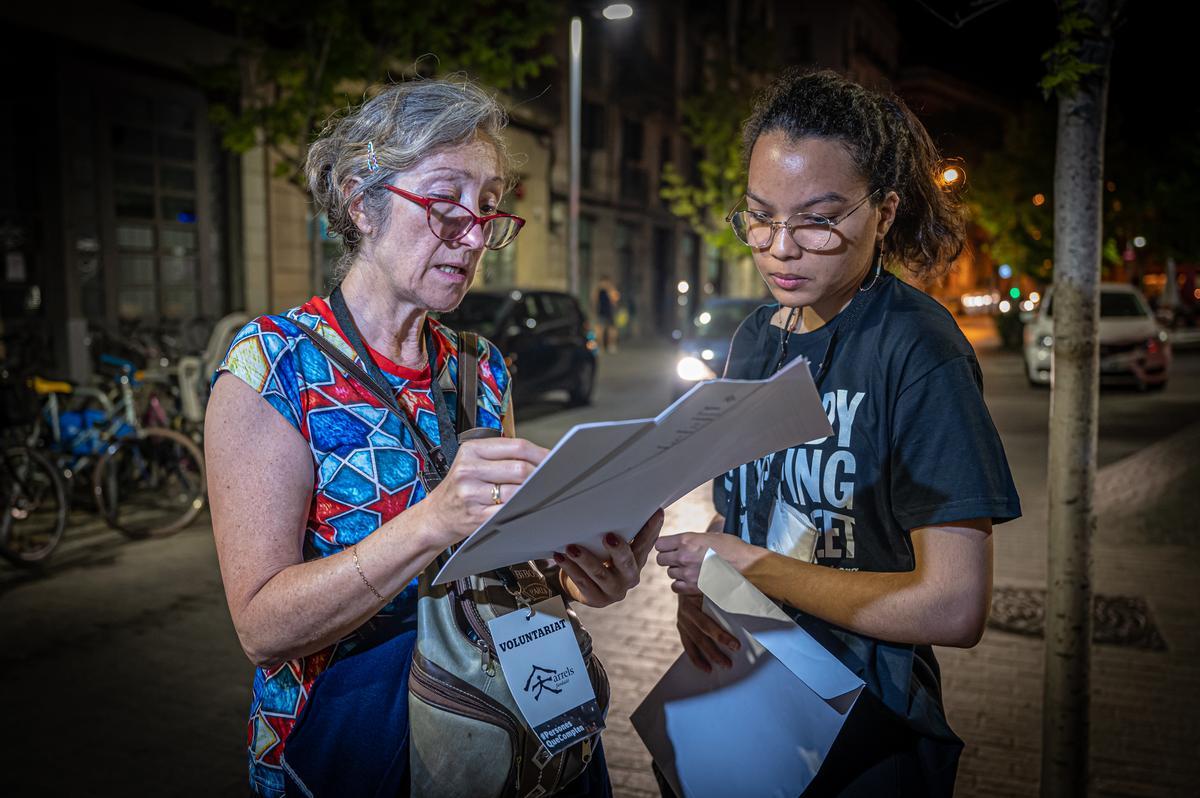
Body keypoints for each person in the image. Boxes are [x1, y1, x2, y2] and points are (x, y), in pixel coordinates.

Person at [205, 77, 663, 798]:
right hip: (346, 746)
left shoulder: (480, 369)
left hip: (489, 742)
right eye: (446, 205)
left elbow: (501, 572)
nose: (475, 235)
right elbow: (263, 628)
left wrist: (582, 576)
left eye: (486, 209)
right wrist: (433, 521)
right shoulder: (274, 367)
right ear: (362, 200)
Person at [653, 68, 1020, 797]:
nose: (780, 247)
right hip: (745, 697)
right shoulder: (758, 338)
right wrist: (700, 598)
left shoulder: (917, 348)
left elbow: (954, 603)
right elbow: (744, 511)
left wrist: (745, 568)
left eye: (817, 219)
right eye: (760, 216)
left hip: (865, 729)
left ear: (883, 213)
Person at [594, 276, 621, 353]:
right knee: (608, 330)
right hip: (608, 312)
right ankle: (609, 346)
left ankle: (602, 347)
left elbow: (594, 301)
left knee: (604, 330)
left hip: (603, 312)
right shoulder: (610, 289)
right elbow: (615, 301)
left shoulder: (598, 289)